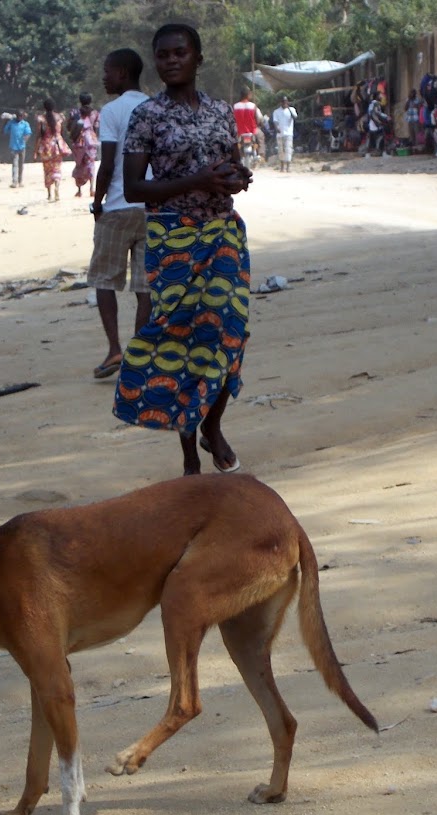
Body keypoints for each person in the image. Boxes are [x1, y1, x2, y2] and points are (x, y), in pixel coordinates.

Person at [116, 23, 253, 476]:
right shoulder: (147, 116)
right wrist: (199, 181)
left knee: (228, 330)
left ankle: (212, 425)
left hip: (222, 232)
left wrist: (238, 177)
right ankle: (189, 451)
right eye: (163, 55)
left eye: (180, 52)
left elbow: (228, 163)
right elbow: (136, 188)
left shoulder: (218, 110)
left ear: (197, 57)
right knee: (182, 339)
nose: (171, 60)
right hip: (173, 237)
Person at [89, 48, 153, 379]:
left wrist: (97, 202)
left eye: (108, 71)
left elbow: (108, 163)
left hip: (117, 205)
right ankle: (139, 353)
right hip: (151, 205)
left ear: (122, 73)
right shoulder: (155, 107)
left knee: (105, 279)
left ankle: (115, 349)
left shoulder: (112, 110)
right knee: (145, 287)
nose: (104, 77)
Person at [35, 98, 68, 202]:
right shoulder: (59, 118)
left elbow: (39, 135)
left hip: (46, 146)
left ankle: (49, 194)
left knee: (47, 170)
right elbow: (61, 132)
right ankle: (57, 188)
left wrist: (35, 150)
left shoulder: (41, 119)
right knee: (57, 168)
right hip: (58, 145)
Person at [69, 93, 100, 197]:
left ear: (80, 100)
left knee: (79, 165)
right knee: (90, 164)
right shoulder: (95, 113)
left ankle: (79, 190)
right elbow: (96, 128)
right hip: (91, 141)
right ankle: (91, 189)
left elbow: (69, 127)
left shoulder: (74, 113)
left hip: (79, 142)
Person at [233, 88, 265, 160]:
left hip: (239, 131)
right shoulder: (253, 106)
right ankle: (261, 155)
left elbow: (231, 119)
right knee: (261, 136)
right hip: (252, 130)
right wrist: (261, 123)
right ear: (248, 95)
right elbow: (260, 118)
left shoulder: (235, 106)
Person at [2, 110, 32, 187]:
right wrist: (5, 121)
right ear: (17, 116)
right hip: (13, 146)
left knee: (21, 165)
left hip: (22, 147)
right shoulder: (11, 123)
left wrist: (25, 139)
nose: (20, 118)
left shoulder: (25, 124)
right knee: (15, 164)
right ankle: (14, 181)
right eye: (19, 116)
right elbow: (5, 130)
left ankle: (20, 181)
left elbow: (28, 133)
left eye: (21, 116)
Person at [271, 96, 297, 171]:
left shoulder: (292, 110)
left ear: (288, 102)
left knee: (288, 149)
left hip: (289, 133)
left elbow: (295, 118)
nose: (284, 103)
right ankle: (282, 167)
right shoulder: (276, 111)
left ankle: (288, 167)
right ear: (280, 102)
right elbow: (275, 121)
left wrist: (288, 108)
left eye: (286, 101)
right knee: (281, 150)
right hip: (280, 134)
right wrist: (277, 128)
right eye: (283, 102)